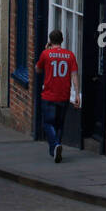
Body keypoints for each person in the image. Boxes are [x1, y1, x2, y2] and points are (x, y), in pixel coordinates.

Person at [36, 30, 80, 163]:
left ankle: (55, 145)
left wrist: (45, 50)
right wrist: (77, 93)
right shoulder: (70, 55)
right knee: (60, 124)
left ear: (50, 40)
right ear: (62, 40)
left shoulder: (46, 54)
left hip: (49, 95)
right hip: (64, 95)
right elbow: (74, 75)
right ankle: (55, 149)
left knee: (48, 123)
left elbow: (38, 69)